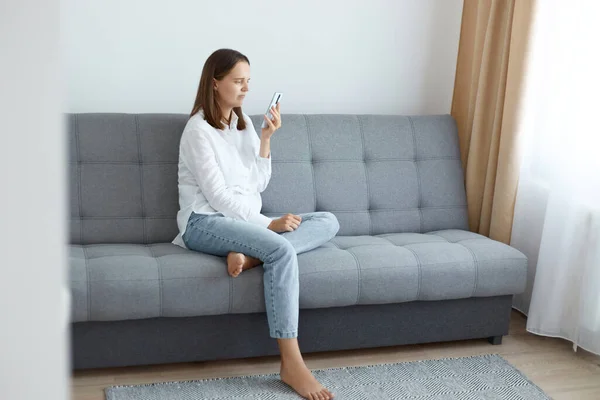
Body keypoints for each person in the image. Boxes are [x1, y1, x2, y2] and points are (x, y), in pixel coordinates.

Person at [172, 48, 339, 400]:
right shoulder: (197, 131)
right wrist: (268, 227)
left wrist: (265, 139)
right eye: (238, 81)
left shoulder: (244, 125)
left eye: (248, 81)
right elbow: (217, 198)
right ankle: (291, 362)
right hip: (203, 221)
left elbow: (256, 185)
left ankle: (251, 257)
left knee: (327, 221)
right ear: (215, 83)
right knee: (280, 248)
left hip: (243, 223)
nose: (246, 89)